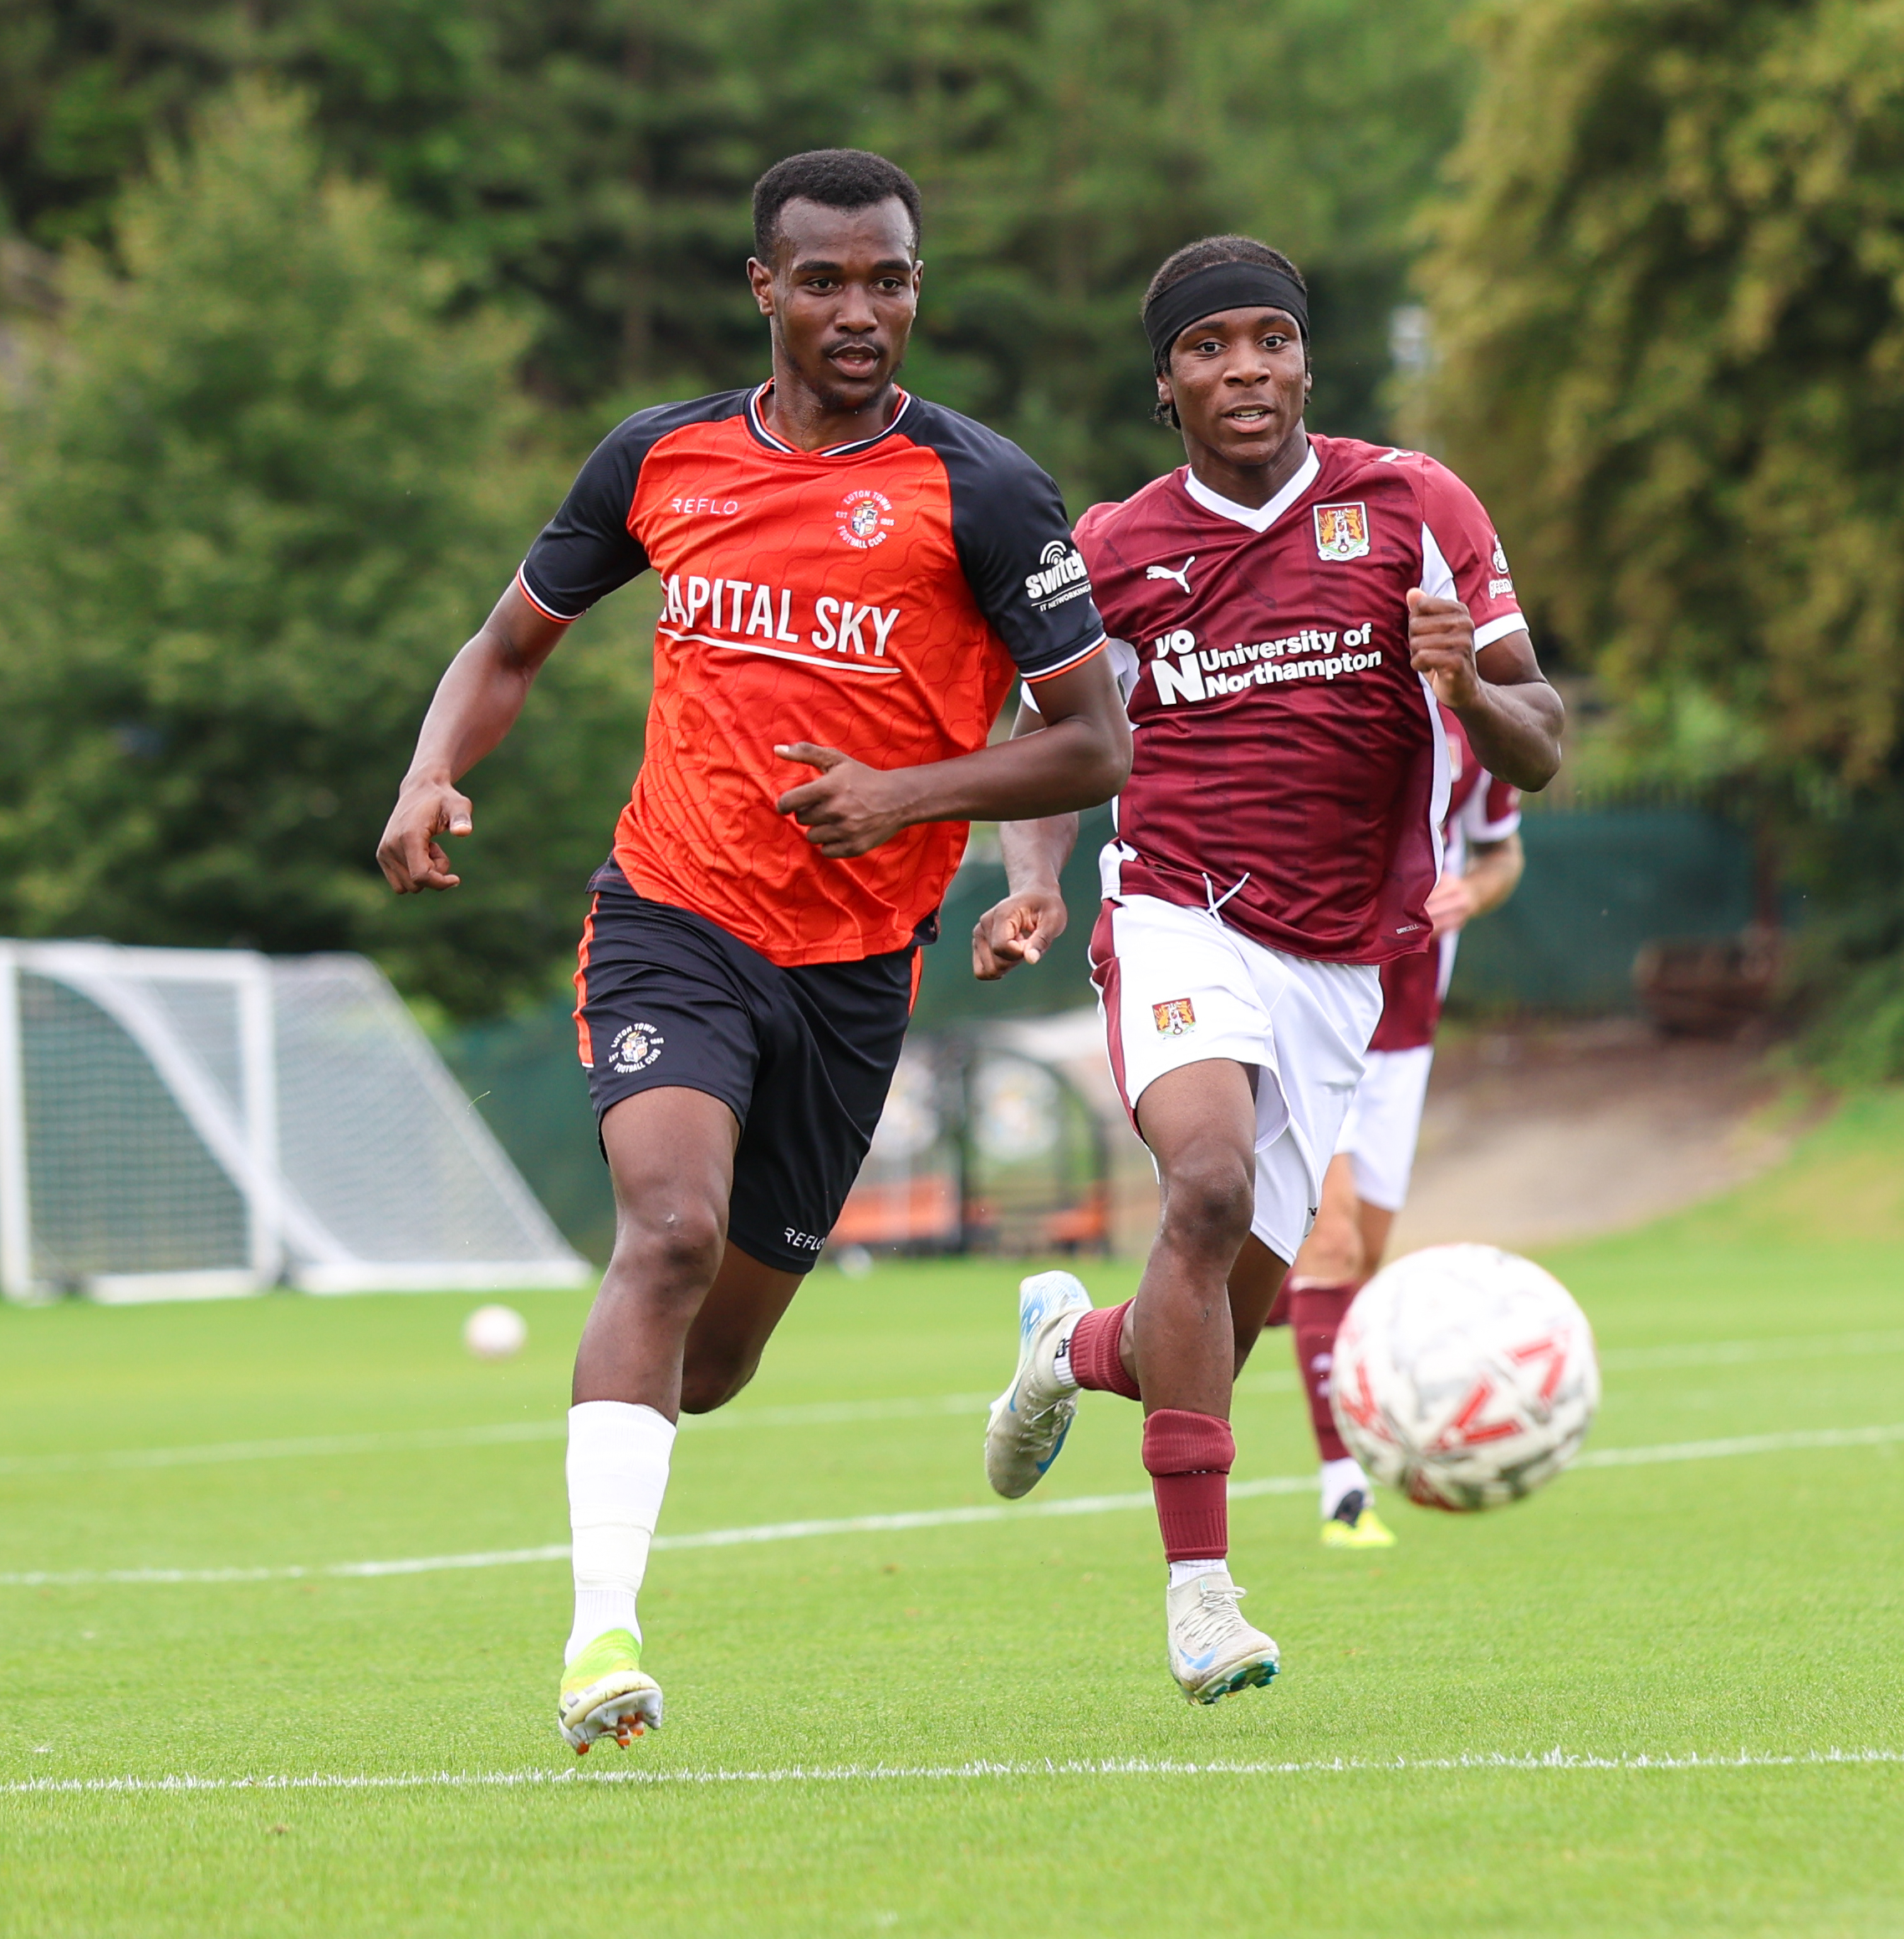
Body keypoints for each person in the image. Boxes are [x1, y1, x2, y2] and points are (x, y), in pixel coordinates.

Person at [375, 149, 1130, 1754]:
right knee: (662, 1228)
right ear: (763, 290)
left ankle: (944, 1350)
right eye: (827, 280)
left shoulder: (985, 490)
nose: (861, 311)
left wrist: (931, 809)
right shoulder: (658, 459)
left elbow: (1090, 742)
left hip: (856, 970)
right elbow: (509, 640)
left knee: (711, 1361)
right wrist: (434, 766)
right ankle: (597, 1642)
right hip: (669, 914)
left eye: (891, 280)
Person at [970, 237, 1563, 1702]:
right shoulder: (1113, 545)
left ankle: (1069, 1343)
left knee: (1210, 1329)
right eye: (1207, 347)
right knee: (1209, 1184)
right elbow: (1057, 739)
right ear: (1164, 381)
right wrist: (1036, 880)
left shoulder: (1415, 506)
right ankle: (1200, 1597)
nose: (1245, 368)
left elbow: (1539, 743)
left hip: (1338, 966)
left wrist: (1467, 685)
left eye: (1269, 339)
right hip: (1175, 912)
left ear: (1306, 356)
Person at [1277, 706, 1525, 1548]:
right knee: (1332, 1244)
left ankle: (1155, 1325)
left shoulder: (1480, 718)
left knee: (1347, 1271)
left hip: (1405, 1028)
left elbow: (1501, 852)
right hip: (1310, 1005)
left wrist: (1472, 890)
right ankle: (1343, 1491)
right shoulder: (1320, 679)